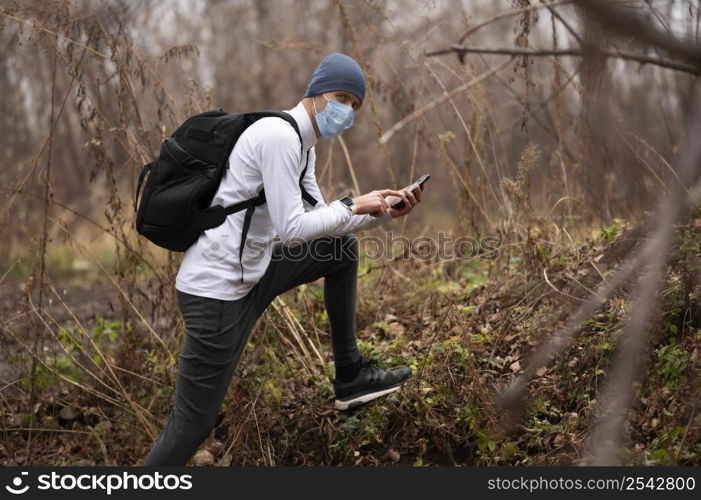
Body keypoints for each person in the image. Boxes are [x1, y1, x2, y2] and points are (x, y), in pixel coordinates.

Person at [143, 53, 422, 466]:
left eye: (355, 105)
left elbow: (319, 222)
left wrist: (378, 213)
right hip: (216, 293)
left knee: (340, 250)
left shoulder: (303, 145)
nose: (347, 110)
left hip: (253, 273)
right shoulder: (278, 136)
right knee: (191, 425)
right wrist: (354, 203)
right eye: (341, 97)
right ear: (315, 93)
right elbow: (293, 229)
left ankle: (351, 376)